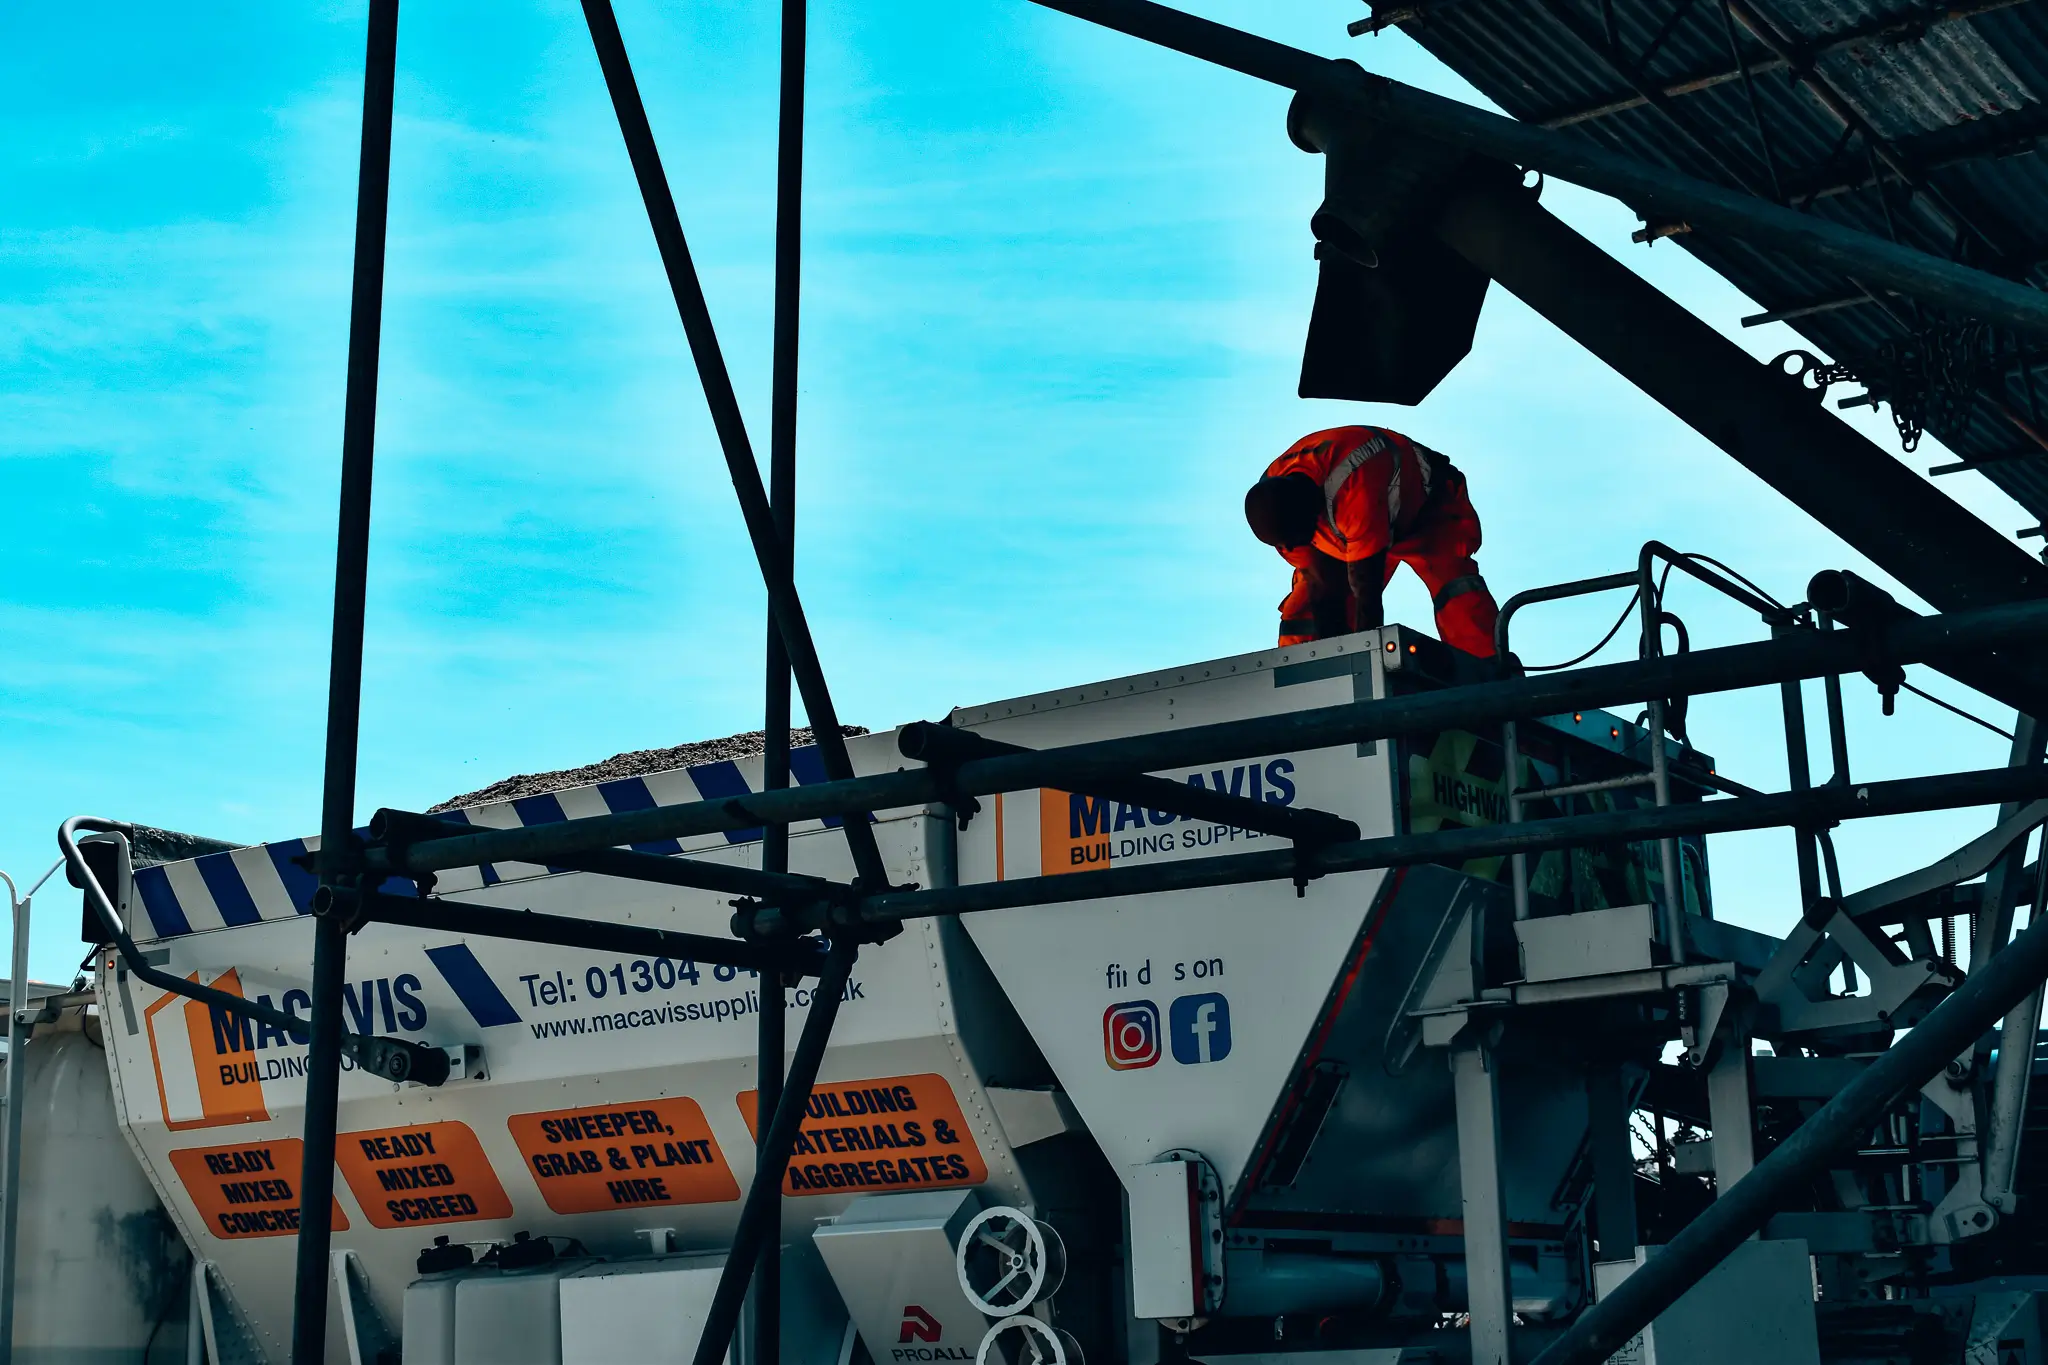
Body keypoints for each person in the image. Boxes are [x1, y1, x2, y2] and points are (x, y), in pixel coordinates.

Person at [1244, 425, 1500, 657]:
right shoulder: (1278, 510)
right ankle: (1300, 678)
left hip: (1427, 508)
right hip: (1351, 526)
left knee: (1455, 590)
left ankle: (1489, 671)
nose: (1292, 548)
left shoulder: (1352, 483)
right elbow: (1322, 586)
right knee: (1305, 608)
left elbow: (1367, 592)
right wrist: (1329, 661)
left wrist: (1365, 660)